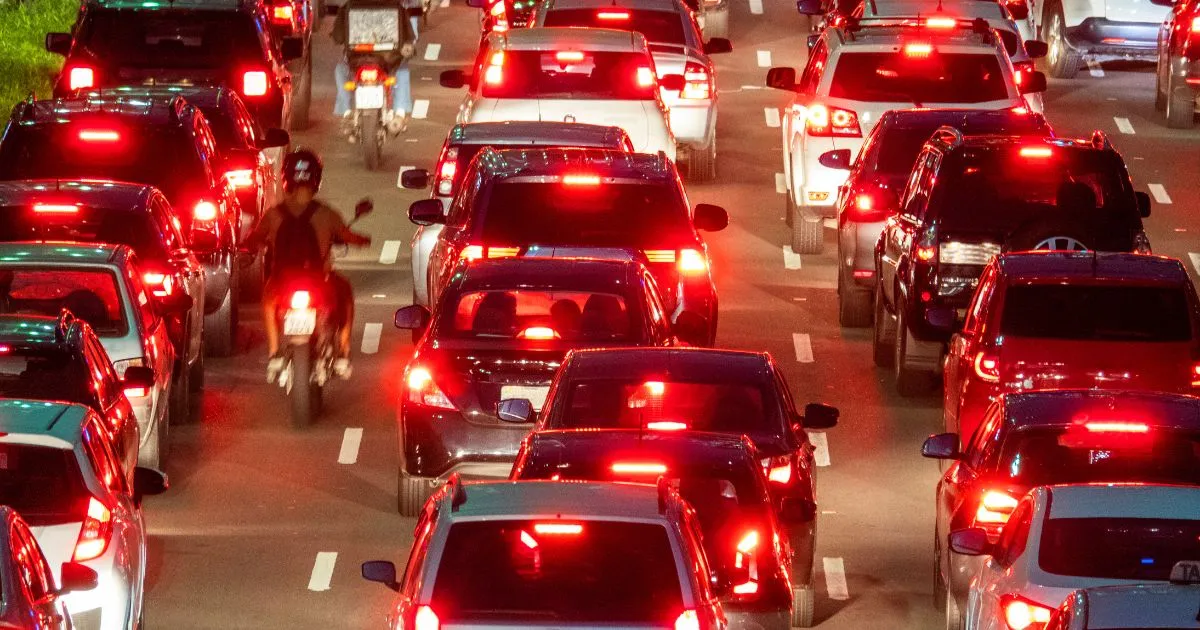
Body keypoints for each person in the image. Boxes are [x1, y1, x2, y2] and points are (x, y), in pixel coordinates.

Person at [243, 149, 372, 381]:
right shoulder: (325, 214)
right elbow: (349, 236)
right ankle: (343, 352)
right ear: (316, 179)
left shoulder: (273, 215)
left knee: (268, 303)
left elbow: (254, 237)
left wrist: (246, 245)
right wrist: (362, 240)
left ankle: (274, 354)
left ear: (286, 178)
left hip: (281, 283)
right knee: (346, 295)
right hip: (319, 282)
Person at [331, 0, 417, 135]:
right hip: (388, 60)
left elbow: (338, 37)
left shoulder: (349, 6)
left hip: (357, 59)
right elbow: (409, 37)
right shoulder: (397, 7)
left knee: (340, 71)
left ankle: (346, 112)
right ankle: (400, 112)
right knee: (402, 70)